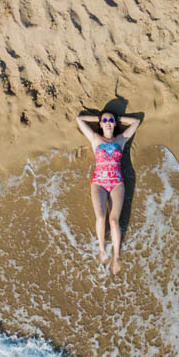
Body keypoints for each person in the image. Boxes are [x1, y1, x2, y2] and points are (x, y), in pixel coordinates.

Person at [75, 110, 141, 274]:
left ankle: (116, 256)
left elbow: (136, 123)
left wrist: (119, 118)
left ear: (115, 123)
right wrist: (98, 118)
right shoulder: (95, 138)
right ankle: (102, 249)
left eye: (111, 120)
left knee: (113, 221)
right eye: (105, 120)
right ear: (101, 124)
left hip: (117, 183)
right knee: (101, 217)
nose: (108, 122)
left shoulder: (121, 139)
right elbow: (79, 119)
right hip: (98, 183)